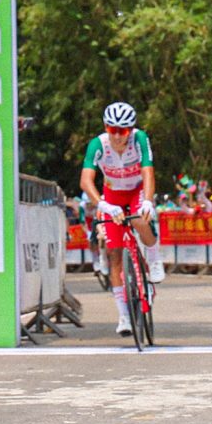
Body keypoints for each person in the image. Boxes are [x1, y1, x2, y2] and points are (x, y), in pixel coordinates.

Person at [79, 101, 163, 334]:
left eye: (123, 131)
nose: (117, 136)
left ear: (131, 130)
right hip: (112, 196)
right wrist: (103, 204)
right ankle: (124, 316)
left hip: (136, 191)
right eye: (112, 129)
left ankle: (154, 260)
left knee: (139, 218)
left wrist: (147, 199)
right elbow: (86, 181)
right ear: (106, 127)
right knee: (114, 254)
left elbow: (148, 170)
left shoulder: (139, 139)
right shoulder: (98, 144)